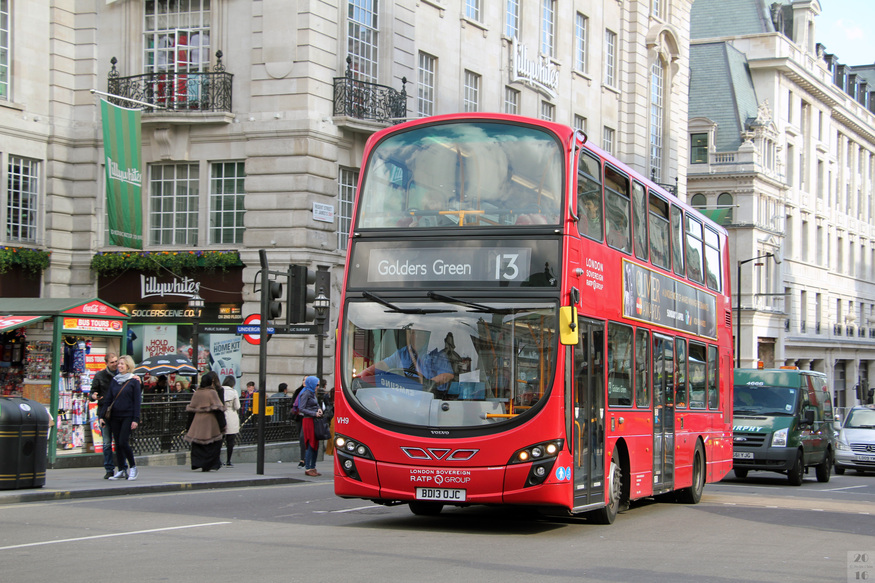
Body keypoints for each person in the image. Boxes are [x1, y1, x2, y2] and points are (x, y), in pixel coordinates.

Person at [358, 326, 454, 392]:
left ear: (425, 335)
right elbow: (383, 365)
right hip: (401, 395)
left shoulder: (436, 355)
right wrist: (365, 373)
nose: (415, 336)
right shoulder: (402, 353)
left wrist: (429, 384)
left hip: (426, 396)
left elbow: (448, 375)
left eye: (419, 333)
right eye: (412, 333)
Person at [104, 355, 141, 481]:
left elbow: (137, 401)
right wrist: (102, 416)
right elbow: (109, 398)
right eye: (119, 364)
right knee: (117, 444)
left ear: (128, 366)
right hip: (115, 416)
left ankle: (133, 467)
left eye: (122, 364)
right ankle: (121, 469)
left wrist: (135, 419)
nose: (119, 366)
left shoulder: (134, 381)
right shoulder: (115, 380)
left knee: (123, 442)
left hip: (128, 415)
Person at [184, 371, 226, 472]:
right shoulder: (212, 393)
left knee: (198, 445)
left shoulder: (197, 393)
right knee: (213, 444)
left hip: (197, 422)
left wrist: (188, 426)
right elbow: (218, 409)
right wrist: (223, 425)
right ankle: (211, 464)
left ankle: (198, 462)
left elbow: (191, 411)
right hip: (211, 422)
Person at [90, 351, 118, 479]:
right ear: (106, 363)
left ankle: (122, 468)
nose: (115, 364)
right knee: (107, 443)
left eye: (116, 361)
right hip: (104, 413)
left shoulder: (121, 375)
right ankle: (109, 469)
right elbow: (92, 393)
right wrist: (93, 396)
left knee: (120, 442)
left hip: (118, 412)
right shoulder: (100, 376)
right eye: (112, 362)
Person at [298, 375, 324, 476]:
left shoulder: (312, 393)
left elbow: (315, 404)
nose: (318, 387)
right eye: (316, 385)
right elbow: (301, 408)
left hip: (314, 419)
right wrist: (314, 413)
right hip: (308, 420)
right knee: (310, 443)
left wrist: (319, 409)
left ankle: (313, 466)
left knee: (315, 444)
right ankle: (308, 467)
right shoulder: (306, 393)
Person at [221, 375, 241, 467]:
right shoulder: (233, 392)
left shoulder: (219, 390)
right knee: (230, 440)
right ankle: (228, 460)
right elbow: (237, 406)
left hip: (221, 415)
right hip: (231, 415)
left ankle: (218, 459)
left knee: (219, 440)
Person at [290, 377, 307, 468]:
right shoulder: (298, 391)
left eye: (306, 380)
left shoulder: (310, 392)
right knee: (301, 439)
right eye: (303, 380)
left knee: (303, 438)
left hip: (307, 417)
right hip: (298, 417)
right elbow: (293, 402)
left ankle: (303, 459)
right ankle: (304, 458)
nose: (304, 381)